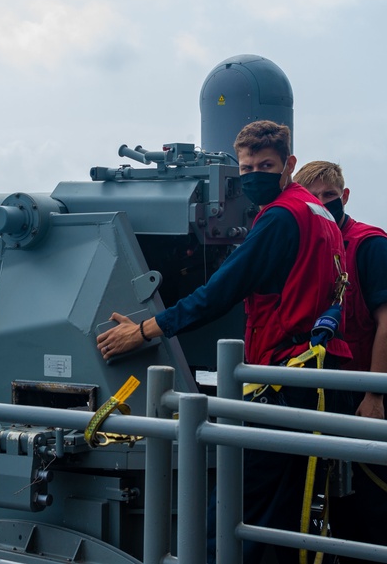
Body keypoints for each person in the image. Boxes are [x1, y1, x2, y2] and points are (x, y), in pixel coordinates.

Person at [97, 120, 349, 563]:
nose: (254, 174)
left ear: (289, 164)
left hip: (281, 384)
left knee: (227, 518)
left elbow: (217, 295)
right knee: (280, 517)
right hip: (316, 379)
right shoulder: (319, 212)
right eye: (247, 166)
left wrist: (141, 331)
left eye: (266, 165)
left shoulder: (278, 218)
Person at [293, 160, 387, 560]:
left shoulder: (370, 244)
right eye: (312, 199)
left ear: (344, 197)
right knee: (338, 501)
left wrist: (376, 395)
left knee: (380, 503)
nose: (322, 205)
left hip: (366, 392)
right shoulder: (311, 247)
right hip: (326, 392)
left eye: (329, 197)